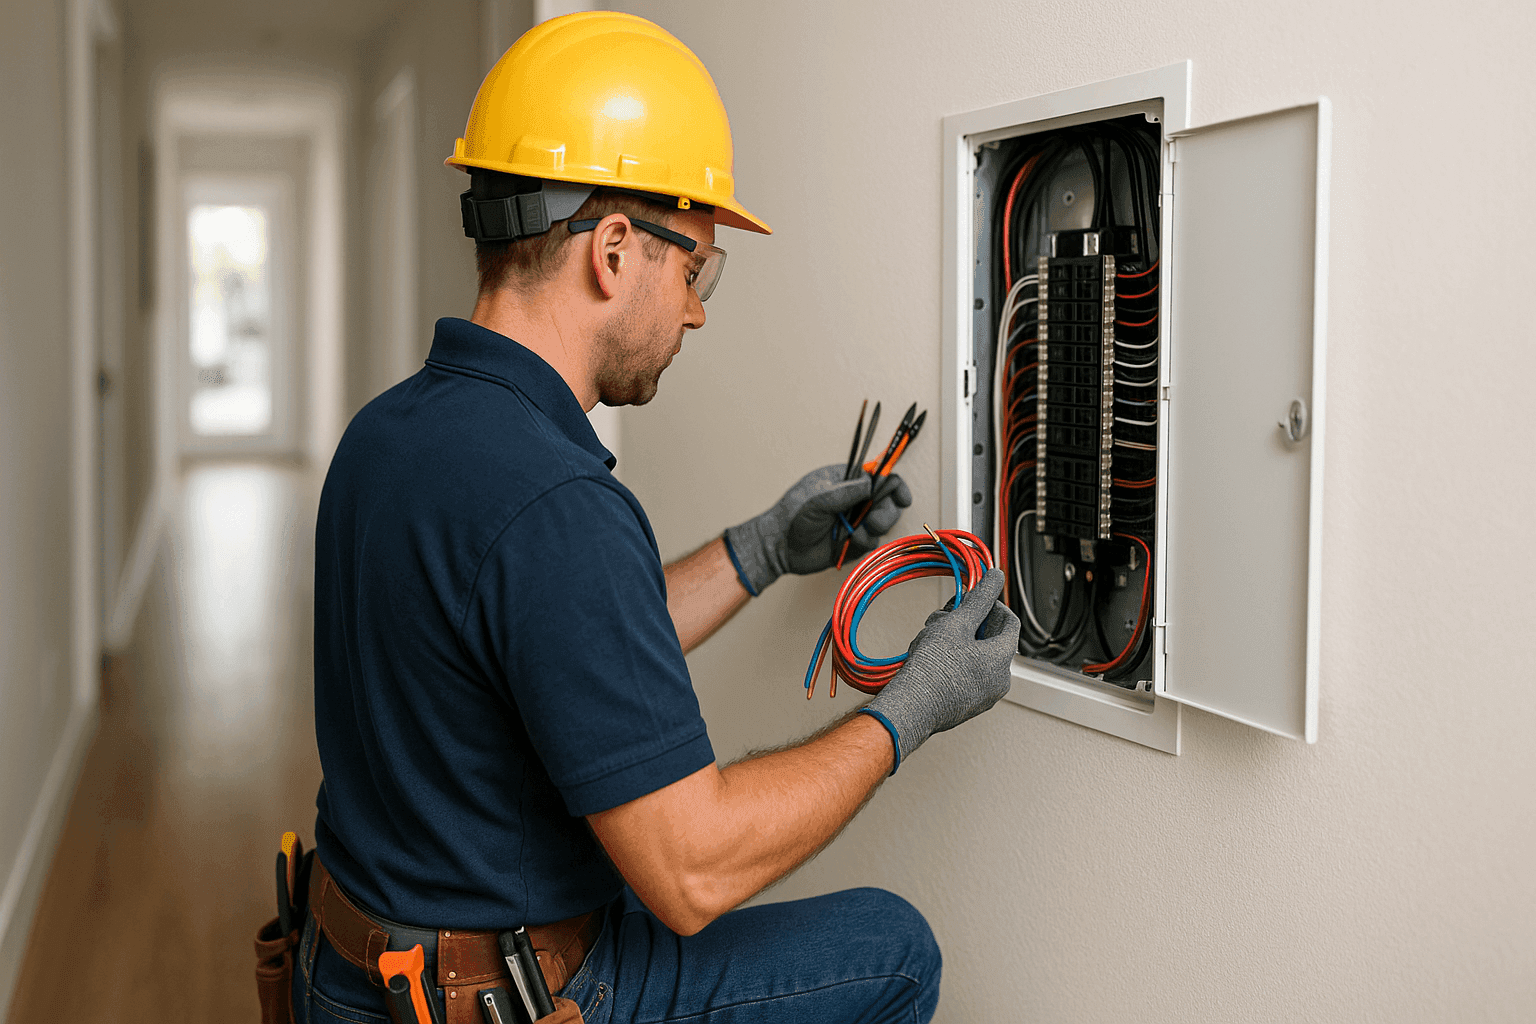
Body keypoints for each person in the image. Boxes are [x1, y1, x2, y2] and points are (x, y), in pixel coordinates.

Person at [292, 12, 1020, 1024]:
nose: (697, 311)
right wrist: (914, 706)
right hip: (504, 998)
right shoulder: (557, 502)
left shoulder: (390, 433)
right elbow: (691, 869)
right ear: (616, 249)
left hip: (347, 972)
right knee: (893, 948)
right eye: (695, 270)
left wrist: (761, 548)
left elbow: (557, 642)